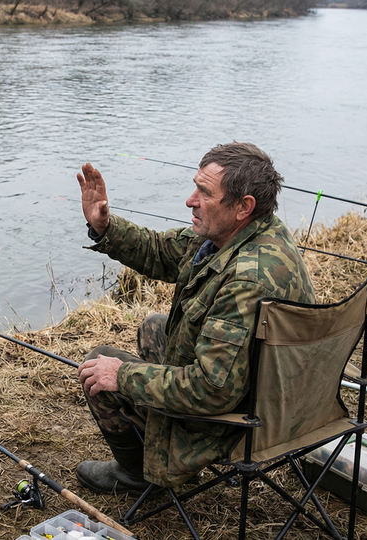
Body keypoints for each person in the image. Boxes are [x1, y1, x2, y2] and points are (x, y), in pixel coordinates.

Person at [73, 142, 314, 494]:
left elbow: (210, 391)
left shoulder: (247, 278)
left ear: (243, 206)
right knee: (156, 327)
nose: (190, 200)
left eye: (204, 192)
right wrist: (105, 227)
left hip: (242, 422)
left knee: (98, 364)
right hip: (276, 395)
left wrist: (122, 375)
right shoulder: (252, 233)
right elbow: (160, 250)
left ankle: (137, 474)